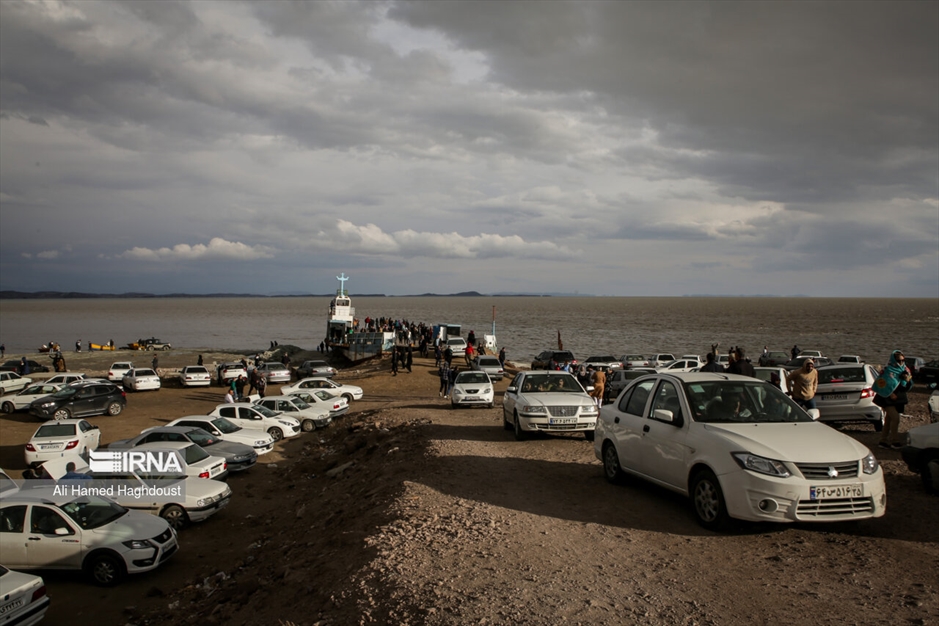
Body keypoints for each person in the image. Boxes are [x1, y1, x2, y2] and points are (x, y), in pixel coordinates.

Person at [873, 351, 913, 449]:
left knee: (888, 420)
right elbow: (880, 384)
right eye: (899, 360)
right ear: (894, 360)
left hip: (899, 398)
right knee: (895, 418)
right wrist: (890, 394)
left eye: (903, 360)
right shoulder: (887, 371)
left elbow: (907, 386)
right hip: (887, 398)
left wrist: (907, 381)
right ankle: (894, 441)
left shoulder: (905, 370)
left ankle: (883, 441)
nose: (901, 362)